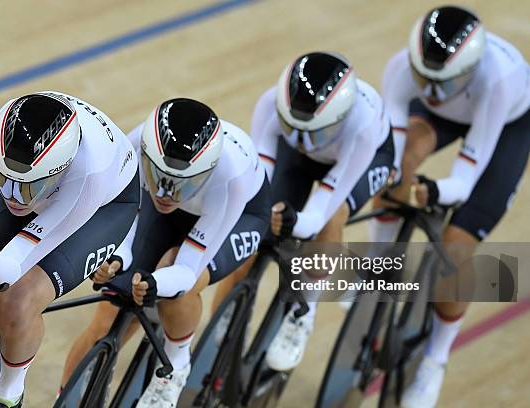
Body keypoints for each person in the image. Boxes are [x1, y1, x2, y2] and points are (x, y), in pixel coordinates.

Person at [0, 92, 140, 407]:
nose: (14, 197)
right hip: (44, 184)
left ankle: (9, 392)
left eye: (26, 187)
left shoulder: (90, 173)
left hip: (102, 208)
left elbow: (13, 265)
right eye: (4, 179)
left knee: (16, 300)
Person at [60, 98, 270, 407]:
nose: (165, 193)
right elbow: (124, 222)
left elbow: (187, 269)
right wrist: (117, 259)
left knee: (177, 286)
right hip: (167, 216)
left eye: (179, 184)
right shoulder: (134, 144)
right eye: (158, 178)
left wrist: (157, 284)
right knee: (106, 318)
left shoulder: (231, 179)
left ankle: (175, 367)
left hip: (236, 215)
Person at [370, 6, 530, 408]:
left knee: (457, 248)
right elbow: (390, 150)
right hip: (448, 113)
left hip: (506, 122)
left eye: (441, 79)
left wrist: (436, 191)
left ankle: (435, 361)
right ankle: (379, 269)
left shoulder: (498, 80)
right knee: (396, 169)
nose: (430, 87)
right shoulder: (402, 70)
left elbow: (463, 180)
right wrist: (395, 177)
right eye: (424, 76)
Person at [218, 51, 396, 372]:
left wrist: (292, 220)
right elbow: (257, 186)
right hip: (300, 157)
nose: (304, 140)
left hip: (361, 158)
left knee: (333, 217)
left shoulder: (362, 127)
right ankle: (227, 317)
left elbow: (318, 212)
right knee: (253, 229)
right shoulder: (270, 106)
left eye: (315, 132)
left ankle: (304, 312)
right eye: (291, 125)